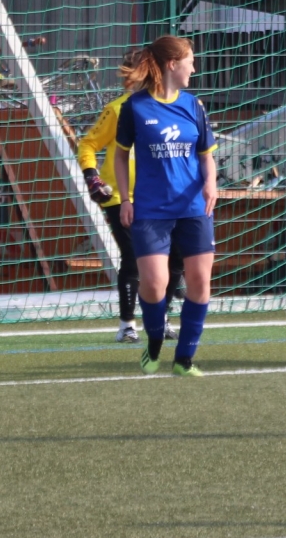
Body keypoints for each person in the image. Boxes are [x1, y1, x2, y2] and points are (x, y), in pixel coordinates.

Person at [112, 35, 219, 377]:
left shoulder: (194, 106)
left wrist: (211, 183)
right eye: (190, 61)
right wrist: (125, 199)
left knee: (200, 281)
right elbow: (119, 156)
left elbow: (206, 156)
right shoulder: (135, 107)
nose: (194, 68)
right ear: (173, 64)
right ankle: (155, 341)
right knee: (155, 283)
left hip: (193, 208)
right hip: (151, 210)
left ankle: (184, 360)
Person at [79, 49, 182, 344]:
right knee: (134, 257)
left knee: (176, 258)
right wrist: (92, 177)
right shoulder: (118, 109)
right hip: (122, 197)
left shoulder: (173, 107)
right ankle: (127, 325)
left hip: (163, 197)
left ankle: (161, 318)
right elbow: (88, 144)